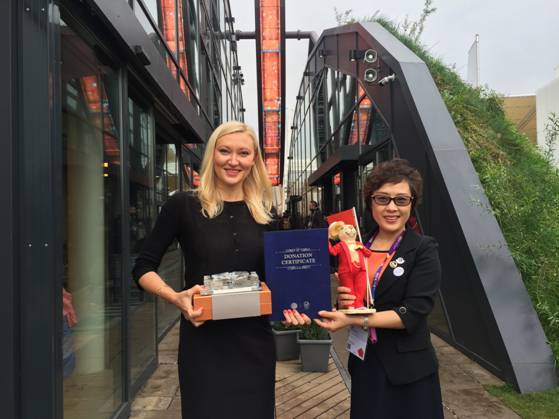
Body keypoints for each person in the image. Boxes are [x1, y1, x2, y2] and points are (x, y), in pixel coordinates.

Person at [132, 121, 307, 419]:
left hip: (255, 344)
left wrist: (295, 305)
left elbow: (277, 280)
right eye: (225, 151)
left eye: (243, 153)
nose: (233, 161)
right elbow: (142, 267)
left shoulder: (265, 214)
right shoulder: (182, 205)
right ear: (212, 154)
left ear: (254, 160)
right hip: (203, 343)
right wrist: (175, 297)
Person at [315, 158, 444, 419]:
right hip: (366, 363)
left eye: (401, 200)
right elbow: (357, 299)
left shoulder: (423, 249)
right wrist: (344, 301)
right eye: (383, 199)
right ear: (371, 202)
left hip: (409, 372)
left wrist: (353, 318)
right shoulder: (357, 245)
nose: (392, 208)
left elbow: (413, 313)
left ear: (412, 203)